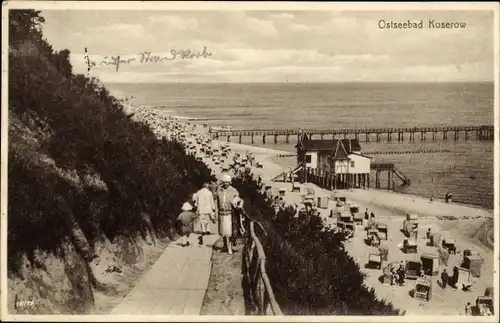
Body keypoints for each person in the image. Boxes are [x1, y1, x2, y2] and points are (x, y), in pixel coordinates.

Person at [215, 174, 243, 255]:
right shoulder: (219, 190)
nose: (226, 184)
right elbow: (217, 201)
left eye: (227, 182)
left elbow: (239, 201)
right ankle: (224, 246)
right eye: (224, 182)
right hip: (221, 213)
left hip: (229, 213)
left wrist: (236, 204)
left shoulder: (234, 190)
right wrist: (216, 212)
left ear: (230, 182)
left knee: (229, 232)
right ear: (222, 182)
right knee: (222, 231)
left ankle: (230, 248)